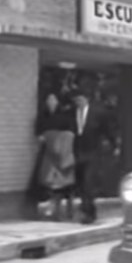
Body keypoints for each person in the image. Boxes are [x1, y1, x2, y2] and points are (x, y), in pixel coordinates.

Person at [70, 89, 116, 224]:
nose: (78, 103)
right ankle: (88, 209)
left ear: (86, 99)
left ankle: (88, 212)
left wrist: (113, 145)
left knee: (88, 182)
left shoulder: (98, 113)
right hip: (78, 151)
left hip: (93, 151)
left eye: (80, 100)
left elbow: (108, 130)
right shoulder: (73, 113)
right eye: (76, 101)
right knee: (80, 184)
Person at [33, 93, 76, 221]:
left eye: (53, 99)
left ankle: (64, 208)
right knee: (47, 180)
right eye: (48, 99)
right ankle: (49, 206)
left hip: (63, 153)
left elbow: (70, 133)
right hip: (47, 152)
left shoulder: (64, 117)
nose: (50, 102)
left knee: (64, 183)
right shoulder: (42, 116)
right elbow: (38, 133)